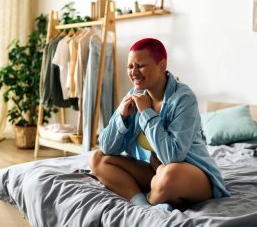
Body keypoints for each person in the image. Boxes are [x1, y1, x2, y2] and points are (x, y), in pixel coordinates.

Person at [89, 38, 229, 211]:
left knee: (169, 174)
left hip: (188, 173)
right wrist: (122, 117)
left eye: (140, 66)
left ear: (162, 65)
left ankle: (155, 195)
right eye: (130, 66)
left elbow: (172, 157)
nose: (134, 72)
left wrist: (147, 113)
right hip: (153, 172)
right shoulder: (134, 95)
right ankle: (144, 206)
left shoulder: (184, 99)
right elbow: (106, 147)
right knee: (97, 159)